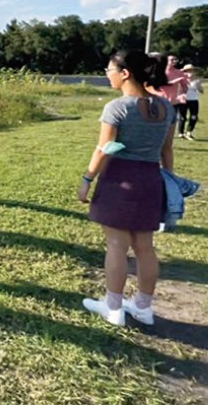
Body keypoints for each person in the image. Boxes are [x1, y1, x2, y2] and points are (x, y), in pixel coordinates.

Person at [78, 50, 174, 327]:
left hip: (119, 178)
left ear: (125, 73)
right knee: (145, 247)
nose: (107, 75)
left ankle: (113, 307)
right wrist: (169, 182)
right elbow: (167, 151)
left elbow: (104, 149)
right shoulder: (166, 107)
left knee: (117, 245)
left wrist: (87, 179)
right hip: (151, 180)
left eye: (109, 70)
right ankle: (143, 307)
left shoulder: (118, 107)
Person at [159, 55, 188, 138]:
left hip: (174, 101)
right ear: (167, 61)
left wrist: (183, 93)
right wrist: (176, 80)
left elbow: (184, 86)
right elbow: (162, 84)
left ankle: (169, 136)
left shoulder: (178, 72)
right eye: (172, 60)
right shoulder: (162, 72)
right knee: (162, 120)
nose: (174, 61)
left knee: (172, 121)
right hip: (162, 100)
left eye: (175, 59)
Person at [180, 64, 203, 140]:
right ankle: (181, 132)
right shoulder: (181, 80)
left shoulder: (197, 81)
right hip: (184, 100)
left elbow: (201, 91)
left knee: (193, 116)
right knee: (182, 117)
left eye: (191, 70)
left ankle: (189, 132)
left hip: (193, 100)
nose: (190, 72)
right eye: (188, 71)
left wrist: (198, 86)